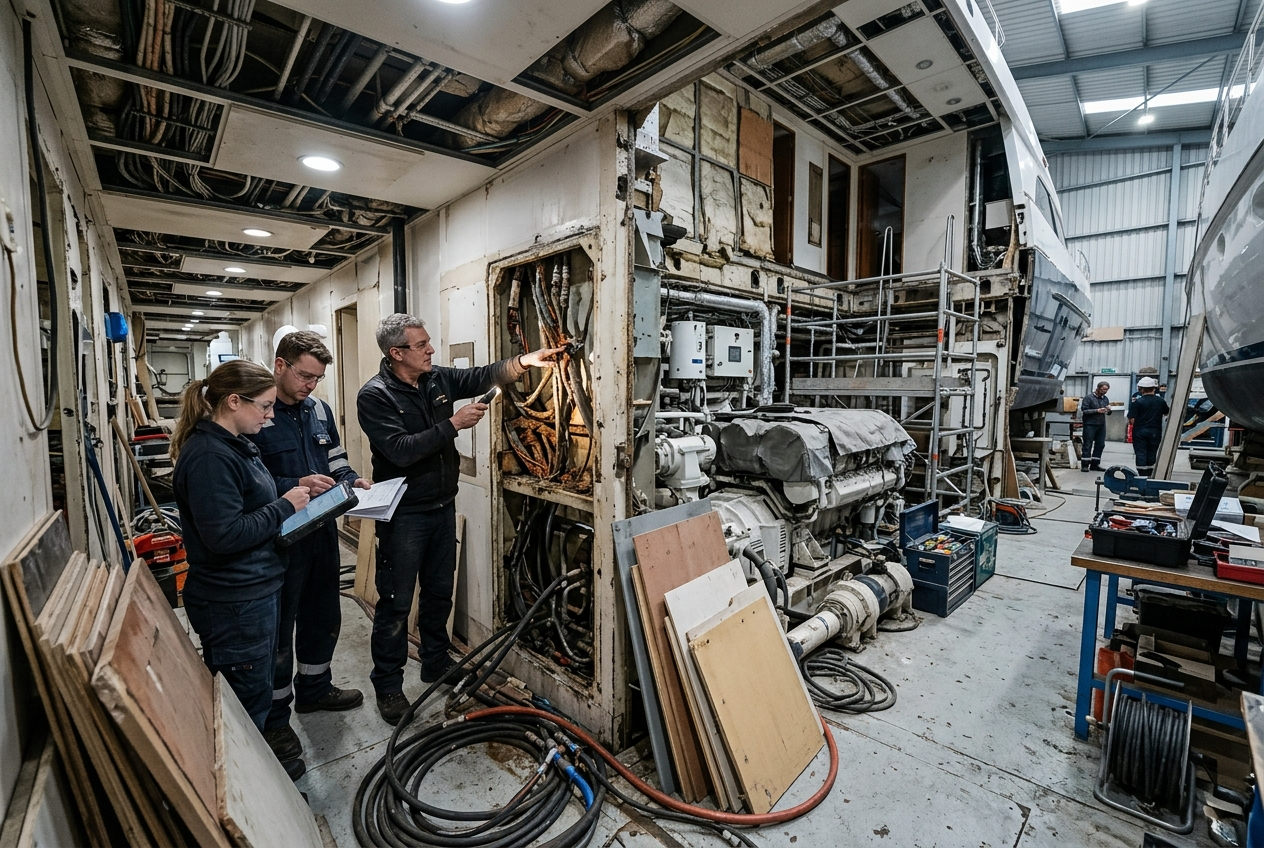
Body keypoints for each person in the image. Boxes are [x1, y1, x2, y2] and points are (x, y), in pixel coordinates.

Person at [357, 313, 563, 725]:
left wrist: (525, 361)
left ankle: (435, 662)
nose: (431, 349)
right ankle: (389, 686)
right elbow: (400, 450)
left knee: (438, 594)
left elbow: (481, 375)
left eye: (428, 342)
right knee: (396, 604)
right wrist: (453, 424)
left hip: (441, 507)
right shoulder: (375, 396)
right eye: (421, 345)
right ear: (396, 353)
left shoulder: (436, 379)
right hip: (405, 515)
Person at [170, 360, 310, 776]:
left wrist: (293, 488)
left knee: (255, 692)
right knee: (245, 702)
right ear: (234, 401)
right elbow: (225, 535)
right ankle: (247, 787)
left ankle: (257, 773)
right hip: (234, 601)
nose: (270, 416)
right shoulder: (210, 457)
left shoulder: (233, 444)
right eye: (264, 406)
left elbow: (249, 497)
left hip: (253, 590)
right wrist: (284, 507)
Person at [247, 331, 370, 771]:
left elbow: (334, 457)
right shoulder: (257, 411)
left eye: (317, 378)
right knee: (281, 628)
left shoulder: (318, 409)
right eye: (304, 376)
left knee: (323, 613)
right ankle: (276, 716)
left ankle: (315, 690)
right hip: (280, 538)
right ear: (280, 366)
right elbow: (251, 479)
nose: (311, 385)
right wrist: (294, 486)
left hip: (320, 531)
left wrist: (351, 480)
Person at [1127, 376, 1169, 476]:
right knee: (1152, 452)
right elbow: (1166, 413)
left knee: (1141, 452)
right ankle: (1150, 473)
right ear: (1154, 388)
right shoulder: (1161, 401)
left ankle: (1142, 474)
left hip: (1140, 431)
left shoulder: (1137, 402)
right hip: (1155, 431)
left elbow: (1131, 419)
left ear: (1140, 389)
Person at [1079, 381, 1111, 472]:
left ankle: (1095, 464)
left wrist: (1109, 410)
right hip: (1090, 424)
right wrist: (1097, 411)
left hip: (1101, 425)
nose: (1105, 391)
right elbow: (1084, 410)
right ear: (1098, 388)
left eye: (1106, 390)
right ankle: (1085, 465)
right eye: (1103, 389)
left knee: (1100, 444)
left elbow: (1108, 413)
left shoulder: (1105, 399)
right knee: (1087, 444)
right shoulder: (1088, 398)